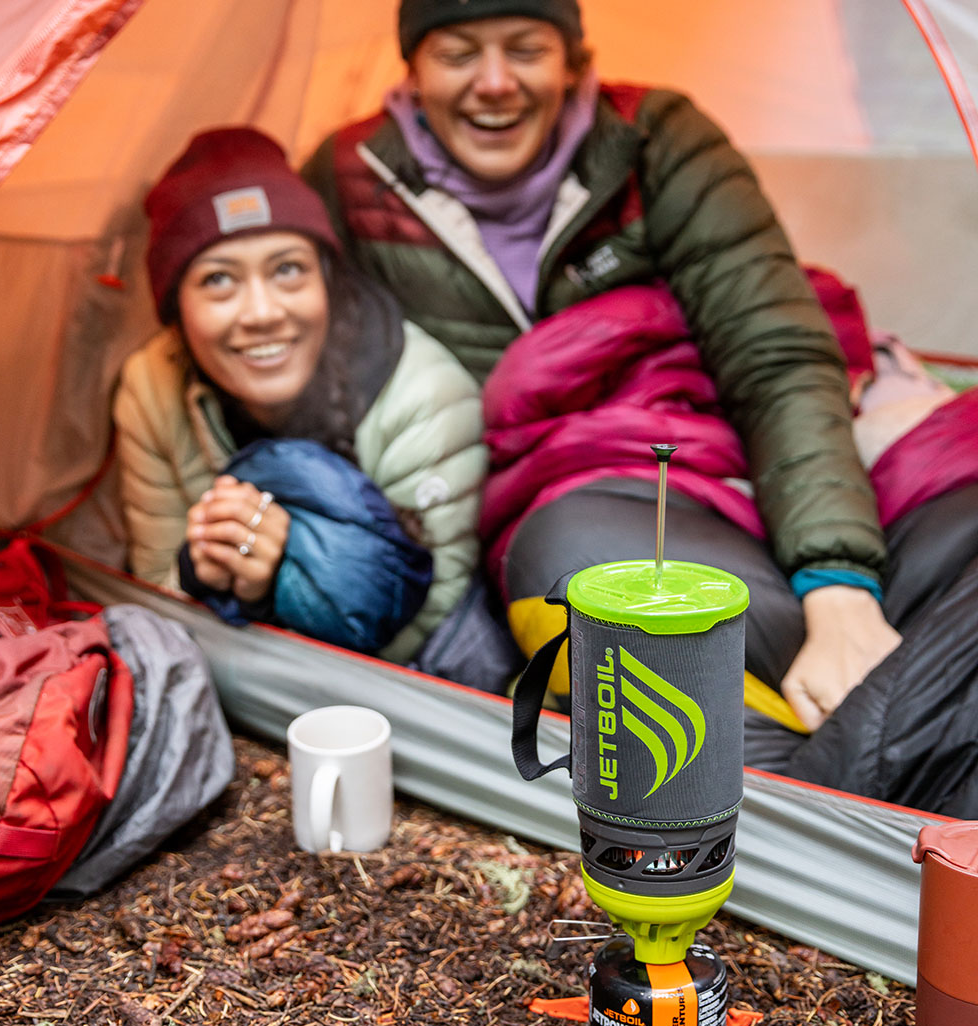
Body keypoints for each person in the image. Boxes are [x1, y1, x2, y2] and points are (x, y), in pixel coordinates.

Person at [302, 0, 978, 748]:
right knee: (599, 594)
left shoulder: (657, 140)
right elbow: (304, 373)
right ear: (413, 69)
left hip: (722, 444)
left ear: (573, 60)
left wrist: (839, 581)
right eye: (458, 53)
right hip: (575, 490)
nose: (494, 83)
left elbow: (773, 351)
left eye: (525, 48)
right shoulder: (350, 179)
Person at [114, 126, 487, 664]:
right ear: (176, 312)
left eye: (288, 269)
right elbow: (157, 597)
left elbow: (435, 618)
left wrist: (283, 589)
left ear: (327, 281)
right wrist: (205, 573)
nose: (263, 313)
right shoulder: (152, 388)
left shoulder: (422, 398)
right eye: (219, 280)